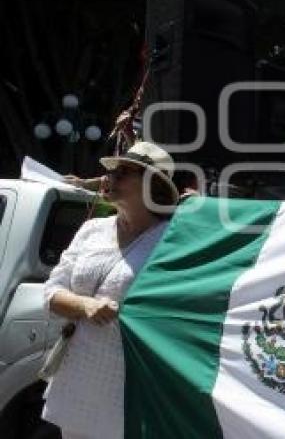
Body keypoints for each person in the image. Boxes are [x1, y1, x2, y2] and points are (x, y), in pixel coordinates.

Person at [42, 142, 179, 439]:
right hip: (77, 380)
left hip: (132, 387)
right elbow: (51, 292)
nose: (109, 177)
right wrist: (84, 306)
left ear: (152, 184)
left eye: (123, 172)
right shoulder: (92, 230)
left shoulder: (172, 241)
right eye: (111, 171)